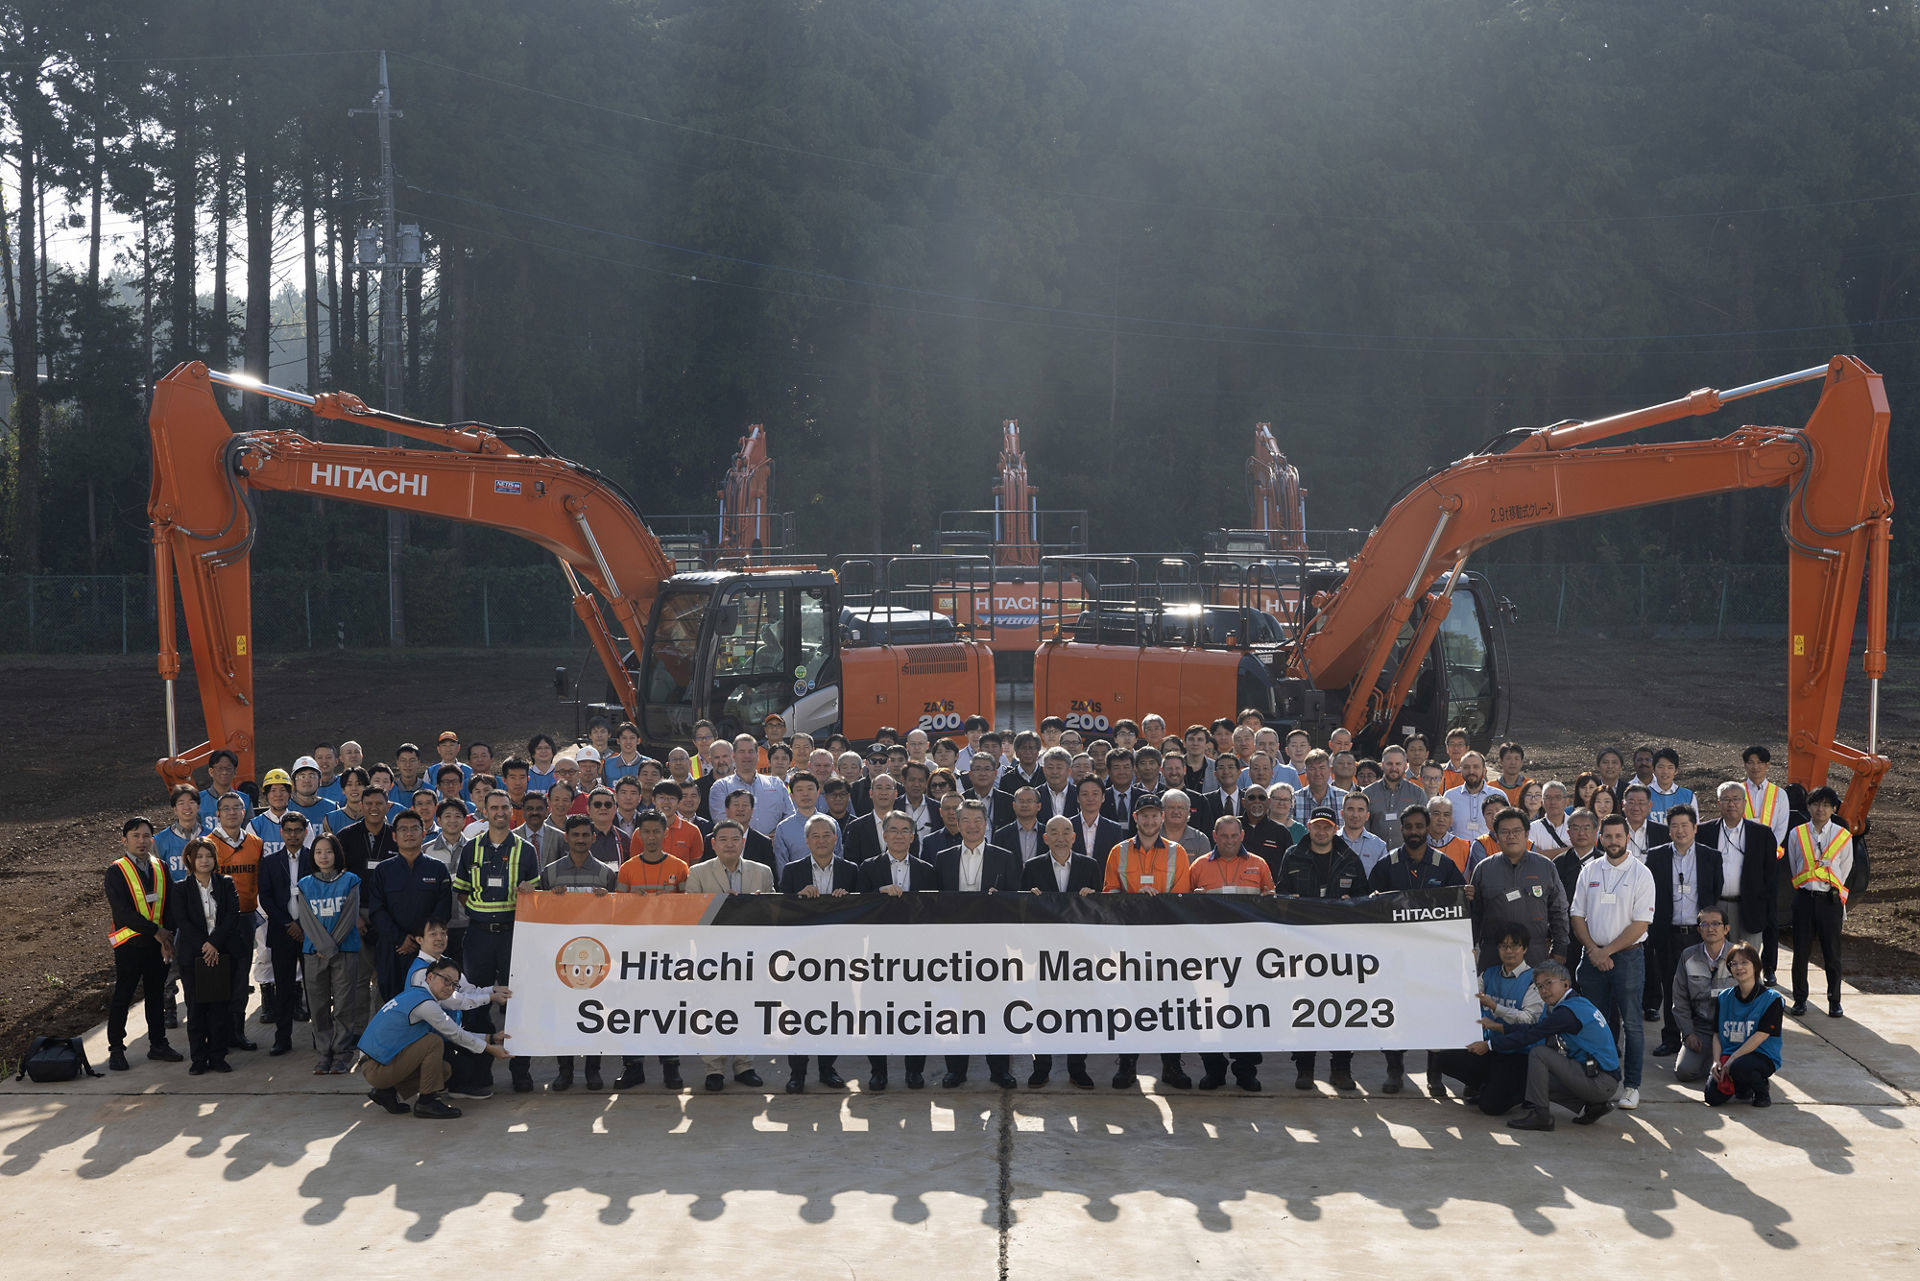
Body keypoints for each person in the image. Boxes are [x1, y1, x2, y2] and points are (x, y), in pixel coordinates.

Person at [451, 790, 542, 1093]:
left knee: (519, 1002)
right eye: (494, 808)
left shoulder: (526, 850)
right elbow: (462, 892)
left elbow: (536, 894)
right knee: (476, 1002)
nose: (500, 812)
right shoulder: (470, 849)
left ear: (511, 812)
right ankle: (481, 1070)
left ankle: (520, 1070)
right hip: (478, 935)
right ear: (484, 812)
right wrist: (482, 912)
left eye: (505, 807)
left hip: (514, 934)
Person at [1569, 813, 1656, 1111]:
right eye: (1609, 836)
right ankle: (1598, 1081)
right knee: (1597, 1023)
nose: (1614, 841)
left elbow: (1640, 924)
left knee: (1632, 1023)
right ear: (1600, 838)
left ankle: (1631, 1086)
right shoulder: (1589, 870)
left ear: (1627, 838)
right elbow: (1577, 915)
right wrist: (1594, 949)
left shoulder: (1641, 873)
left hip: (1627, 957)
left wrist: (1607, 952)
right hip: (1591, 955)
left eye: (1619, 836)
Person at [1279, 806, 1370, 1092]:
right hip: (1301, 946)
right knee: (1304, 1008)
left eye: (1327, 827)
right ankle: (1305, 1069)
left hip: (1339, 948)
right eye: (1317, 826)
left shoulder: (1349, 858)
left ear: (1335, 828)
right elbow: (1278, 895)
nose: (1321, 831)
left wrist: (1351, 902)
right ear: (1309, 826)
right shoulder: (1292, 855)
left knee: (1342, 1009)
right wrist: (1287, 900)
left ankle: (1341, 1069)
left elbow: (1364, 899)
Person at [1473, 960, 1623, 1131]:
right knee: (1534, 1078)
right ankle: (1595, 1105)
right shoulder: (1577, 1003)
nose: (1544, 991)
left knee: (1539, 1054)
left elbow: (1531, 1035)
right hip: (1600, 1077)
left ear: (1565, 983)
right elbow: (1535, 1028)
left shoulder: (1566, 1013)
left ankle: (1541, 1116)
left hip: (1600, 1081)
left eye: (1549, 983)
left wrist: (1490, 1045)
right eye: (1539, 986)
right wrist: (1500, 1027)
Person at [359, 958, 514, 1119]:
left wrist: (492, 1037)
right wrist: (490, 1049)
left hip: (379, 1063)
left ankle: (386, 1092)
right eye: (446, 980)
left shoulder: (418, 995)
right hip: (375, 1067)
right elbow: (455, 1034)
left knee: (443, 1070)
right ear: (430, 977)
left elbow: (452, 1032)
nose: (450, 988)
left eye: (455, 984)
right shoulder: (426, 1004)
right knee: (432, 1042)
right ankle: (426, 1103)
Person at [932, 800, 1017, 1090]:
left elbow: (1016, 904)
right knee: (954, 1010)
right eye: (965, 820)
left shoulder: (1005, 857)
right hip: (952, 949)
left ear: (986, 823)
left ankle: (999, 1069)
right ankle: (956, 1070)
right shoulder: (942, 858)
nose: (971, 825)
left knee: (995, 1008)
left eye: (977, 820)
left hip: (993, 948)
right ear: (957, 823)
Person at [1187, 815, 1273, 1092]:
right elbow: (1180, 909)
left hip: (1248, 958)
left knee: (1247, 1015)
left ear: (1242, 836)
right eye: (1224, 836)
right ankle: (1214, 1070)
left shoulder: (1258, 864)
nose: (1229, 841)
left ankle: (1246, 1071)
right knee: (1210, 1016)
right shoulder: (1198, 866)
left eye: (1234, 836)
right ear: (1214, 836)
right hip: (1209, 957)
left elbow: (1271, 903)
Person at [685, 822, 772, 1091]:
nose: (730, 844)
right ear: (713, 844)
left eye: (735, 839)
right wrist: (720, 904)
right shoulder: (698, 873)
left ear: (743, 842)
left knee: (747, 1009)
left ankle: (745, 1064)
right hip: (711, 957)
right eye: (723, 839)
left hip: (750, 955)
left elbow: (772, 914)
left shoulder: (762, 872)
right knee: (711, 1012)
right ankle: (714, 1068)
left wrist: (755, 906)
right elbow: (690, 913)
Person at [539, 815, 619, 1092]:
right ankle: (565, 1071)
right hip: (561, 957)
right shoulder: (549, 873)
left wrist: (605, 901)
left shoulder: (606, 874)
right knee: (563, 1014)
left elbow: (616, 916)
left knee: (595, 1013)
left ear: (593, 838)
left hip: (596, 956)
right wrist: (551, 900)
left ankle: (593, 1071)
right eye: (576, 835)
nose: (581, 840)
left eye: (586, 835)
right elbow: (538, 913)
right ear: (567, 837)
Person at [1428, 926, 1542, 1113]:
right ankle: (1488, 1086)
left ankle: (1524, 1091)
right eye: (1503, 946)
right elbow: (1466, 994)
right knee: (1442, 1059)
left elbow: (1529, 1020)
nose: (1509, 951)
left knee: (1490, 1108)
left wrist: (1495, 1007)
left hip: (1519, 1054)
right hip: (1491, 1048)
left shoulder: (1533, 980)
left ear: (1525, 949)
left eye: (1515, 946)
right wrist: (1468, 968)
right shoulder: (1489, 973)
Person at [104, 817, 184, 1071]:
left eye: (146, 836)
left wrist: (166, 935)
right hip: (130, 945)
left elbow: (170, 905)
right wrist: (157, 932)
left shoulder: (159, 866)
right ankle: (116, 1048)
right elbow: (122, 911)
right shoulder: (116, 870)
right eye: (136, 836)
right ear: (124, 840)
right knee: (123, 996)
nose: (142, 840)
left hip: (158, 945)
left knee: (155, 995)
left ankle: (158, 1044)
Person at [1647, 804, 1722, 1060]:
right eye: (1674, 826)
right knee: (1670, 987)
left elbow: (1715, 890)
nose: (1680, 831)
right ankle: (1670, 1038)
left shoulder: (1711, 856)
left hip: (1699, 934)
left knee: (1701, 987)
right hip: (1667, 932)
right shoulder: (1656, 856)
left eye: (1685, 825)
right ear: (1668, 831)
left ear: (1695, 828)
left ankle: (1701, 1036)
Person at [169, 836, 244, 1074]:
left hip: (221, 952)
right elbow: (182, 921)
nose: (204, 860)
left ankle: (218, 1055)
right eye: (199, 856)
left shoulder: (226, 883)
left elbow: (233, 915)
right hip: (193, 956)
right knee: (196, 1008)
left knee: (220, 1008)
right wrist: (204, 945)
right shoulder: (180, 888)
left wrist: (214, 944)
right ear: (189, 860)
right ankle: (199, 1058)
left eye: (209, 856)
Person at [367, 811, 455, 1002]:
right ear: (394, 836)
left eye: (415, 828)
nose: (409, 833)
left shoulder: (438, 869)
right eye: (403, 829)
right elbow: (377, 910)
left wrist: (420, 940)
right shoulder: (383, 870)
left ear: (424, 834)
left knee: (429, 1001)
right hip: (393, 949)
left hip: (428, 950)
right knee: (392, 1002)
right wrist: (401, 939)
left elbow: (443, 910)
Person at [1468, 808, 1569, 972]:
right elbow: (1474, 916)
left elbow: (1559, 910)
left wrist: (1560, 948)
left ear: (1527, 834)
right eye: (1504, 832)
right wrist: (1468, 948)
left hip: (1535, 953)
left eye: (1516, 831)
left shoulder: (1545, 867)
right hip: (1493, 954)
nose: (1511, 836)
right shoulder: (1484, 869)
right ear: (1496, 837)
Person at [296, 833, 362, 1074]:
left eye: (329, 851)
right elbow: (307, 919)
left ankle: (343, 1053)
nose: (323, 856)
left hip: (344, 951)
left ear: (337, 854)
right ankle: (324, 1053)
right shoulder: (304, 884)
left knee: (344, 1004)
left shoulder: (351, 880)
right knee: (318, 1005)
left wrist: (332, 947)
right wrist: (324, 947)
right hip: (314, 953)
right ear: (312, 856)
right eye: (318, 852)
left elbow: (349, 917)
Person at [205, 790, 263, 1050]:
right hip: (216, 922)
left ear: (244, 812)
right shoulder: (206, 845)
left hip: (246, 918)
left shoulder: (255, 843)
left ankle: (237, 1032)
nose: (231, 812)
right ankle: (217, 1033)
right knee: (217, 980)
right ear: (217, 813)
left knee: (241, 979)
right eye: (226, 808)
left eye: (236, 807)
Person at [1787, 786, 1852, 1018]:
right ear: (1808, 807)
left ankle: (1835, 1000)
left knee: (1832, 953)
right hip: (1805, 899)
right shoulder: (1797, 833)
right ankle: (1800, 1000)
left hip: (1830, 901)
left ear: (1834, 809)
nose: (1820, 809)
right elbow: (1794, 865)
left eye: (1826, 804)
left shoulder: (1843, 836)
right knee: (1801, 953)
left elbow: (1845, 869)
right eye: (1816, 804)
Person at [258, 811, 315, 1053]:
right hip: (282, 933)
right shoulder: (270, 862)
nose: (293, 835)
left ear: (305, 832)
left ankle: (319, 1037)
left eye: (297, 830)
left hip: (311, 933)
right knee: (283, 987)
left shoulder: (315, 859)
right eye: (288, 831)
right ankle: (282, 1039)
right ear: (281, 833)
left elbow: (319, 895)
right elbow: (266, 897)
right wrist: (288, 924)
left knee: (314, 987)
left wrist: (303, 925)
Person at [1699, 780, 1778, 952]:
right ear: (1718, 803)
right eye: (1726, 799)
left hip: (1749, 907)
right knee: (1716, 959)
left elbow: (1770, 876)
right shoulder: (1704, 832)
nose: (1731, 804)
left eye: (1736, 799)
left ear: (1744, 803)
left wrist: (1765, 906)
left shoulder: (1762, 834)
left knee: (1747, 960)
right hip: (1715, 906)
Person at [1706, 944, 1784, 1108]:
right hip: (1729, 1056)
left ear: (1756, 965)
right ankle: (1743, 1087)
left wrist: (1732, 1059)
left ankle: (1762, 1091)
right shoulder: (1723, 997)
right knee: (1712, 1097)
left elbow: (1761, 1036)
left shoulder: (1772, 999)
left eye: (1744, 962)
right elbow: (1716, 1034)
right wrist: (1716, 1062)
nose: (1739, 967)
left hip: (1761, 1056)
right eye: (1734, 964)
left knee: (1740, 1067)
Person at [1672, 906, 1738, 1083]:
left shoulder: (1739, 956)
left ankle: (1718, 1060)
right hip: (1702, 1027)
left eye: (1716, 923)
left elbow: (1756, 997)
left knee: (1740, 1072)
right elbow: (1679, 1001)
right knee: (1684, 1072)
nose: (1711, 928)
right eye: (1705, 924)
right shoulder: (1688, 956)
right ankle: (1710, 1059)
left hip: (1733, 1028)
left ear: (1726, 929)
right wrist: (1688, 1033)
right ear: (1699, 930)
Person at [1551, 808, 1604, 974]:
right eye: (1575, 828)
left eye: (1587, 828)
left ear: (1596, 831)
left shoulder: (1606, 862)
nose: (1581, 832)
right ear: (1568, 832)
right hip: (1568, 937)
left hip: (1601, 936)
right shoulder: (1558, 864)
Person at [1363, 746, 1426, 844]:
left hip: (1407, 855)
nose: (1394, 768)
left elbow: (1423, 828)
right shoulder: (1368, 793)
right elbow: (1363, 830)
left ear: (1405, 766)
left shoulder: (1417, 793)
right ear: (1382, 765)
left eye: (1398, 764)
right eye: (1389, 764)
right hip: (1376, 854)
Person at [1070, 775, 1127, 873]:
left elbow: (1118, 863)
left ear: (1103, 797)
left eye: (1095, 794)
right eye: (1085, 794)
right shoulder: (1067, 826)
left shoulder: (1114, 829)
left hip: (1103, 885)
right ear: (1078, 798)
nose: (1090, 798)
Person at [1444, 752, 1494, 842]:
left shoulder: (1498, 795)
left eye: (1476, 767)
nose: (1471, 771)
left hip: (1489, 853)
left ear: (1484, 770)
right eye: (1466, 767)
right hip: (1458, 852)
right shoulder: (1450, 796)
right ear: (1461, 770)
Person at [1337, 791, 1386, 874]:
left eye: (1360, 810)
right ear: (1342, 813)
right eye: (1350, 809)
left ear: (1367, 816)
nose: (1355, 815)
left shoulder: (1379, 846)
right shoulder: (1330, 841)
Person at [1647, 747, 1694, 821]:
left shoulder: (1688, 796)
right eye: (1660, 767)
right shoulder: (1645, 795)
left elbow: (1694, 826)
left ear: (1676, 770)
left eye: (1670, 767)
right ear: (1653, 769)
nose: (1665, 771)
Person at [1530, 781, 1571, 853]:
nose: (1553, 802)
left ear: (1566, 801)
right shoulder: (1532, 828)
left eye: (1558, 797)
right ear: (1542, 802)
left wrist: (1543, 853)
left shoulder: (1575, 826)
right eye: (1548, 797)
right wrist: (1568, 851)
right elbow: (1533, 857)